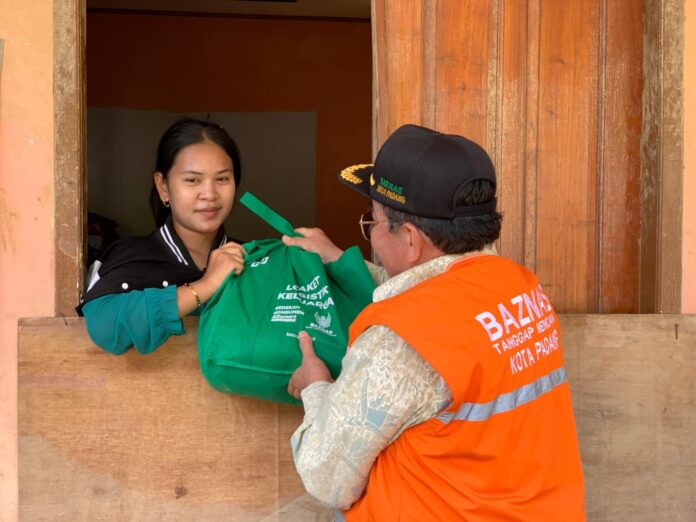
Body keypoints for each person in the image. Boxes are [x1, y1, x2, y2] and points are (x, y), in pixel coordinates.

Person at [282, 124, 585, 521]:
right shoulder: (520, 287)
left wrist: (316, 387)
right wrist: (343, 261)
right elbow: (437, 292)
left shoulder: (399, 342)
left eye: (372, 222)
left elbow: (326, 476)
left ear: (410, 238)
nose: (372, 234)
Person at [77, 118, 247, 355]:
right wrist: (206, 285)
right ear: (163, 186)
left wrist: (306, 263)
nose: (209, 193)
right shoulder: (128, 257)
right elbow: (104, 328)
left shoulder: (254, 258)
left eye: (222, 179)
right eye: (192, 180)